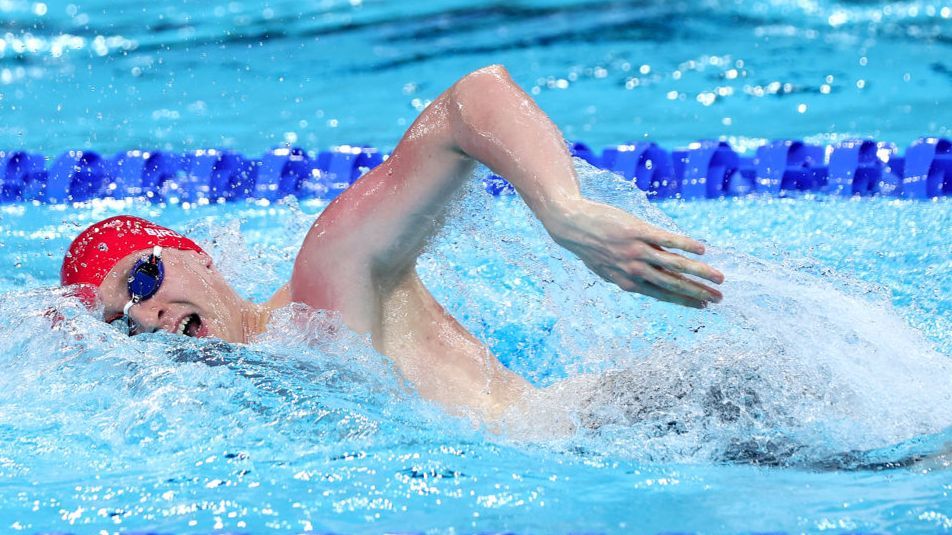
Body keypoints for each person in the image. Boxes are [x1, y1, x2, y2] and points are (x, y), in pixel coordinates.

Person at [61, 65, 724, 423]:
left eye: (141, 280)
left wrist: (563, 208)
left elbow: (470, 101)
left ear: (195, 255)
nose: (146, 318)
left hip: (662, 417)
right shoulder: (265, 389)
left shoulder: (321, 288)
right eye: (123, 326)